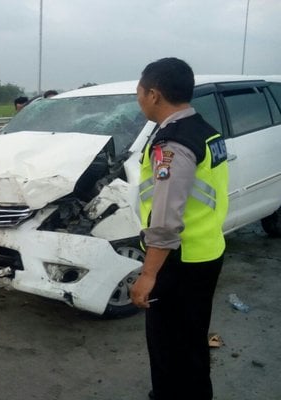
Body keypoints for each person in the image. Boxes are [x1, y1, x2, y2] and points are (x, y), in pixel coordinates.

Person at [131, 58, 229, 400]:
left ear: (154, 94)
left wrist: (148, 274)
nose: (138, 99)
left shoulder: (172, 144)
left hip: (179, 260)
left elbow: (166, 219)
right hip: (206, 251)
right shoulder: (204, 129)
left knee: (168, 346)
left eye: (140, 92)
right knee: (191, 340)